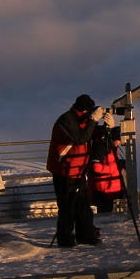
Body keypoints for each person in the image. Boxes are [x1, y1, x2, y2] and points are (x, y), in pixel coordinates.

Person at [48, 94, 100, 248]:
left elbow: (90, 134)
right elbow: (81, 138)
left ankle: (85, 237)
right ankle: (65, 240)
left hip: (78, 171)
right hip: (64, 172)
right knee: (67, 208)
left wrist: (106, 127)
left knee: (83, 206)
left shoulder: (80, 120)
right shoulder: (66, 121)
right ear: (84, 111)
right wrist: (93, 121)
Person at [87, 109, 125, 215]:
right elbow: (96, 167)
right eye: (118, 139)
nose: (119, 143)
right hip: (104, 188)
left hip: (109, 187)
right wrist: (117, 167)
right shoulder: (102, 146)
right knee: (105, 213)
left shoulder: (110, 146)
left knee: (107, 211)